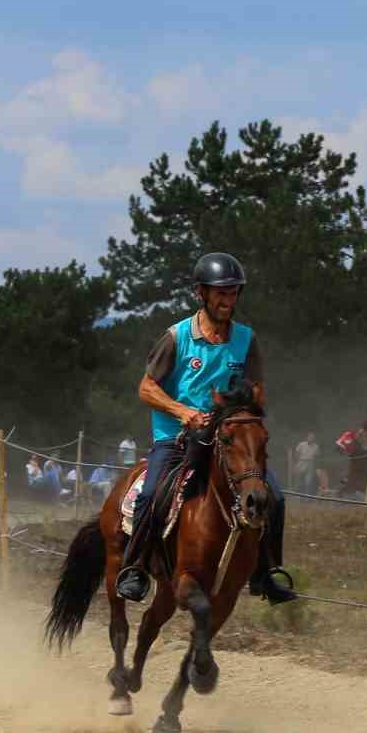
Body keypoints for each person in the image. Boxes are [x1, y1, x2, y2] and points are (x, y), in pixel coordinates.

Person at [114, 252, 293, 605]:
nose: (228, 301)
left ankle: (267, 573)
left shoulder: (246, 340)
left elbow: (257, 390)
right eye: (220, 293)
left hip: (227, 438)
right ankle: (134, 568)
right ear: (201, 293)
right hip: (177, 438)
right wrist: (182, 411)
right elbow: (146, 388)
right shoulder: (176, 337)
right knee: (150, 495)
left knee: (274, 495)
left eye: (233, 293)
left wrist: (247, 404)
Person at [291, 430, 319, 495]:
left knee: (308, 481)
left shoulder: (316, 446)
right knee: (298, 479)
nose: (311, 438)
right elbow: (296, 453)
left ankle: (307, 496)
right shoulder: (302, 444)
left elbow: (316, 457)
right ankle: (296, 494)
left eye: (312, 437)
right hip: (301, 462)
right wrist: (297, 462)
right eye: (310, 437)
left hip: (310, 463)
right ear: (307, 437)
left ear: (314, 438)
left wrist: (314, 464)